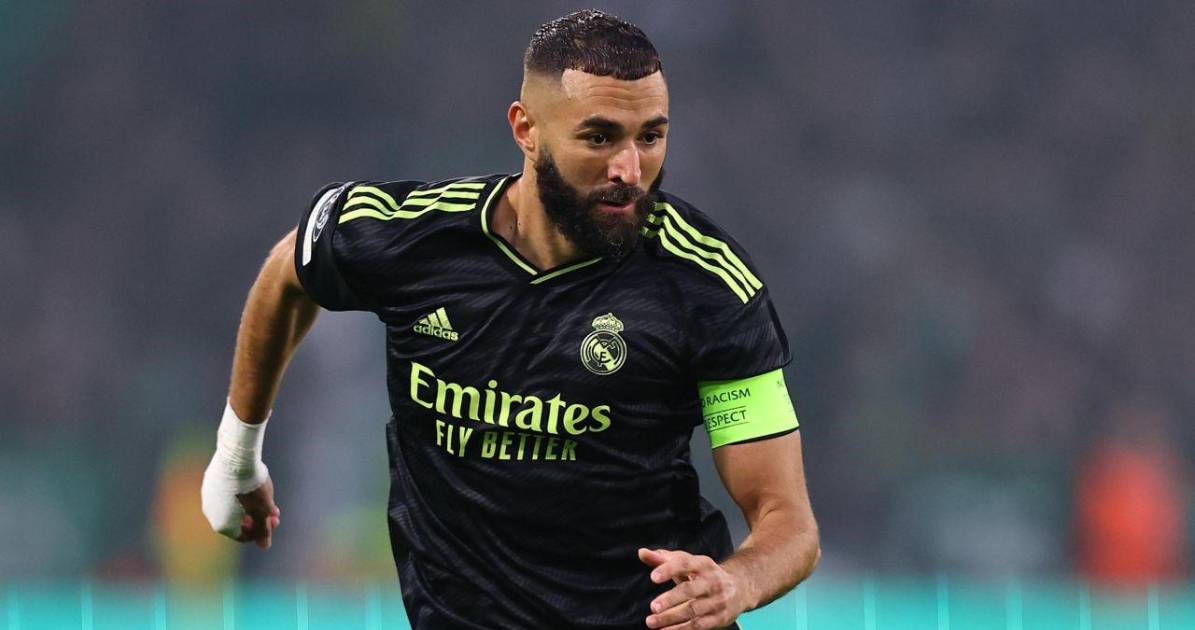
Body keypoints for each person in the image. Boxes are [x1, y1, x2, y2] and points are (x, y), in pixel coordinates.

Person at [201, 9, 820, 629]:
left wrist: (736, 582)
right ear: (526, 129)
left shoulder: (707, 285)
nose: (629, 171)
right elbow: (288, 273)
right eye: (599, 138)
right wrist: (237, 454)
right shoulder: (413, 239)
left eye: (651, 137)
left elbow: (788, 522)